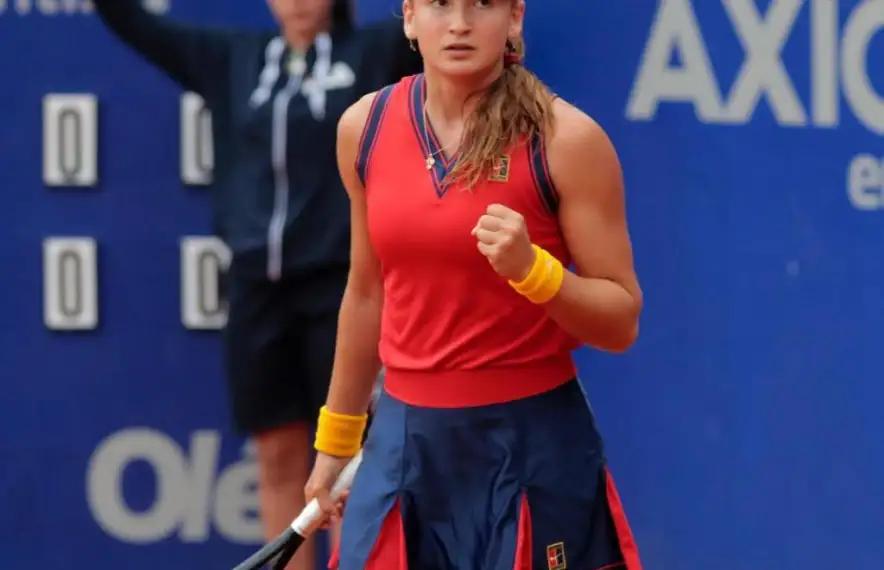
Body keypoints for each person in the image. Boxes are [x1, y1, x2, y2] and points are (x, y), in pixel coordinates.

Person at [303, 0, 645, 568]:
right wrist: (337, 443)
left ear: (513, 18)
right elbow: (367, 291)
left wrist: (536, 273)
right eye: (439, 5)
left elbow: (621, 319)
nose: (459, 23)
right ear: (410, 18)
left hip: (530, 448)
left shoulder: (568, 141)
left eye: (481, 4)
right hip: (403, 445)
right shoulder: (363, 129)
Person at [90, 1, 421, 568]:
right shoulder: (233, 59)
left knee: (350, 464)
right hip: (255, 290)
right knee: (275, 453)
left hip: (340, 288)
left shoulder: (373, 52)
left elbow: (444, 19)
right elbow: (134, 22)